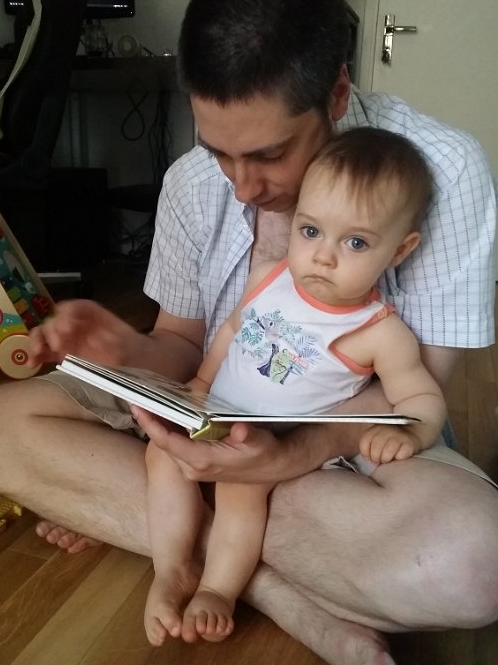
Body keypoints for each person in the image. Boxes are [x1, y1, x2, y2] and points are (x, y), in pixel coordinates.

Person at [0, 0, 497, 665]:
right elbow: (183, 349)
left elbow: (408, 401)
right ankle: (268, 589)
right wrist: (124, 348)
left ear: (337, 94)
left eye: (269, 155)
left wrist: (283, 459)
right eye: (219, 152)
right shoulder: (191, 183)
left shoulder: (442, 171)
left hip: (345, 447)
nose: (242, 186)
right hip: (211, 412)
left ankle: (149, 520)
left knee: (475, 564)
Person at [143, 127, 448, 646]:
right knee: (159, 454)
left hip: (276, 442)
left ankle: (218, 589)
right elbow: (233, 330)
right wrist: (201, 380)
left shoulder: (377, 332)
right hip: (219, 413)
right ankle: (171, 567)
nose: (323, 256)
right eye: (311, 231)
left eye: (355, 242)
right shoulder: (270, 276)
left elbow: (421, 397)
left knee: (241, 491)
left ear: (400, 249)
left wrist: (412, 433)